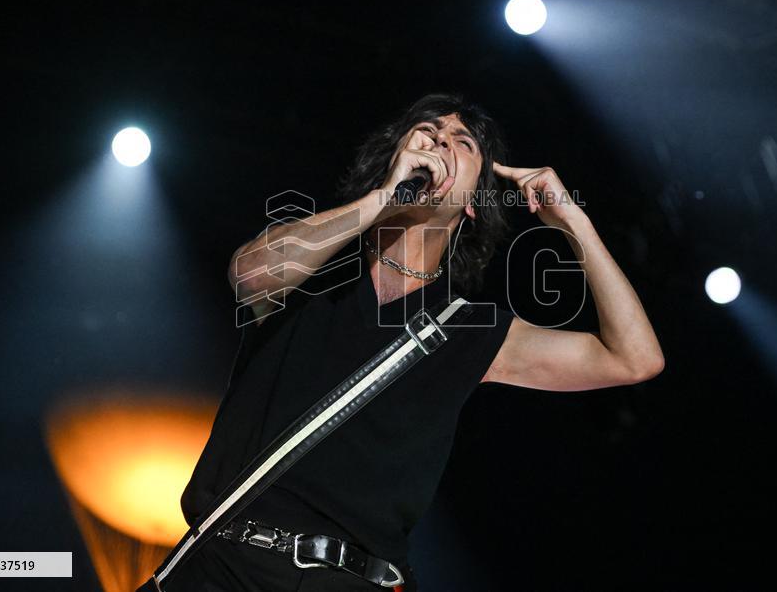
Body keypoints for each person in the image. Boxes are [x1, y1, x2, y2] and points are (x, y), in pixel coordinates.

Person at [159, 92, 665, 591]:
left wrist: (573, 222)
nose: (440, 141)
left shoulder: (471, 331)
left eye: (462, 143)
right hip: (218, 567)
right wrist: (386, 195)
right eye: (428, 132)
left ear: (472, 204)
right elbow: (252, 277)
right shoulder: (316, 269)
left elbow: (634, 359)